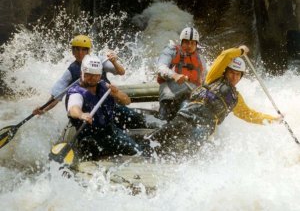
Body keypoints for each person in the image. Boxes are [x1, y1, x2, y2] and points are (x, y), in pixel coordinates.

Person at [147, 45, 281, 156]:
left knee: (186, 153)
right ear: (225, 72)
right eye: (231, 72)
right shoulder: (214, 77)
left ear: (241, 77)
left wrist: (274, 120)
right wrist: (241, 51)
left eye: (237, 74)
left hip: (204, 128)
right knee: (156, 140)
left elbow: (249, 115)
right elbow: (226, 55)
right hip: (188, 115)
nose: (234, 77)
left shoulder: (236, 98)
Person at [33, 35, 146, 130]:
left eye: (83, 49)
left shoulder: (98, 61)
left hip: (107, 103)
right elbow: (57, 96)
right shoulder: (71, 71)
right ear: (72, 51)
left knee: (138, 119)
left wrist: (114, 62)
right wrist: (43, 109)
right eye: (76, 49)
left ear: (89, 50)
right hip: (91, 111)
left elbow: (121, 72)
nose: (80, 53)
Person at [66, 54, 141, 158]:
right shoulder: (76, 92)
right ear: (82, 73)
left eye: (96, 75)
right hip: (90, 136)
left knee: (138, 151)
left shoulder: (104, 85)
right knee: (90, 145)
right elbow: (73, 108)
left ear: (100, 75)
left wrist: (117, 93)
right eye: (88, 74)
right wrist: (81, 115)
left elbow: (127, 101)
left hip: (109, 131)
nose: (92, 78)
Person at [156, 27, 207, 121]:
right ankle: (162, 120)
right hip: (171, 93)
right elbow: (161, 68)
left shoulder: (201, 59)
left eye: (193, 43)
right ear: (181, 42)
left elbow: (204, 80)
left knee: (188, 112)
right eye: (186, 42)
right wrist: (175, 75)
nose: (189, 46)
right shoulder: (171, 50)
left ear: (196, 44)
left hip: (189, 95)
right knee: (166, 110)